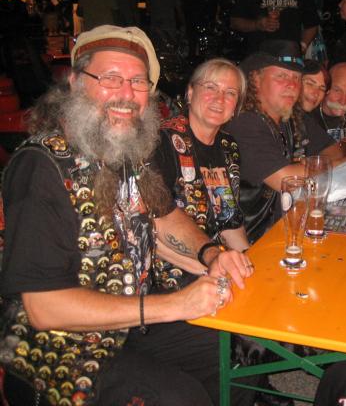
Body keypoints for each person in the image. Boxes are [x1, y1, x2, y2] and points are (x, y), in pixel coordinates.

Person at [0, 25, 254, 405]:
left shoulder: (124, 152)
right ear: (75, 82)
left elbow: (164, 216)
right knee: (181, 397)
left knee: (237, 347)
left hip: (127, 326)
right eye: (111, 78)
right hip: (56, 350)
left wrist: (210, 253)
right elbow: (43, 307)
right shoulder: (41, 166)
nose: (126, 93)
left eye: (138, 82)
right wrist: (175, 304)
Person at [151, 58, 251, 292]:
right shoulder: (161, 143)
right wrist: (210, 269)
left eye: (230, 93)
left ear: (236, 105)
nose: (219, 99)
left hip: (215, 266)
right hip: (170, 280)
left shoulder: (228, 147)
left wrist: (249, 260)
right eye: (211, 87)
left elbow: (228, 220)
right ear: (190, 92)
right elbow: (150, 230)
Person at [225, 44, 343, 242]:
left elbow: (333, 149)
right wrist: (329, 164)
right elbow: (284, 180)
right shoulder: (245, 123)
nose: (292, 85)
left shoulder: (293, 116)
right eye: (281, 76)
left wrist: (309, 167)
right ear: (256, 79)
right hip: (252, 240)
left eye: (296, 78)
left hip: (288, 226)